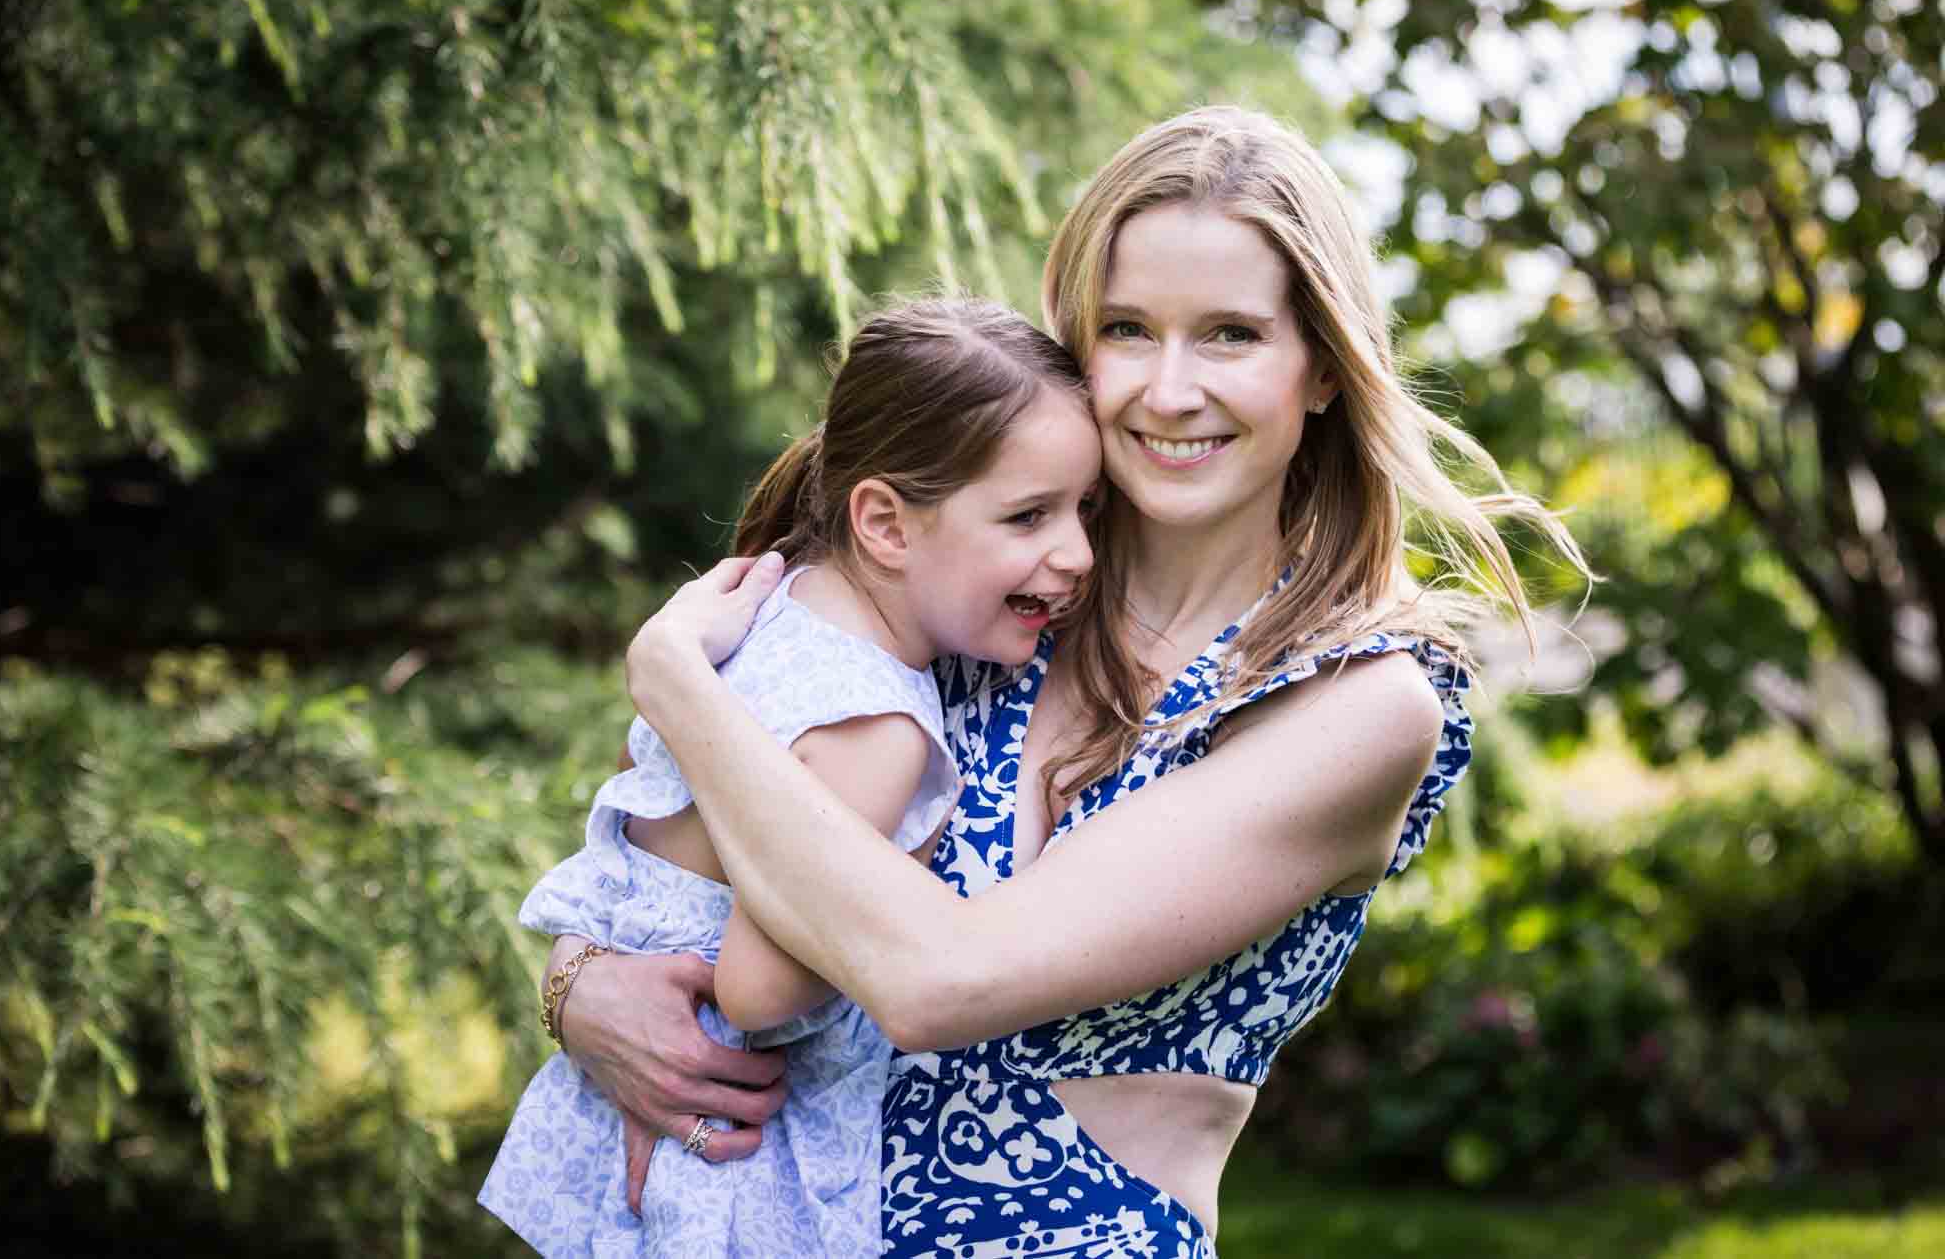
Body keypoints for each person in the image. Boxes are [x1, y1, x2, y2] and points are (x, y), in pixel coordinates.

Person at [562, 106, 1590, 1255]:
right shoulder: (982, 584)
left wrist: (673, 680)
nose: (1167, 388)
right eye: (1127, 330)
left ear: (1320, 370)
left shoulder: (1354, 699)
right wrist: (581, 985)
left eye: (1230, 336)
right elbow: (665, 834)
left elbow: (941, 981)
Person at [478, 297, 1101, 1257]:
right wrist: (915, 857)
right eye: (1028, 516)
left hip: (626, 1126)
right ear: (887, 524)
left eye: (1083, 510)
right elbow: (760, 990)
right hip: (729, 1157)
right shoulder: (879, 724)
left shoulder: (757, 608)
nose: (1078, 554)